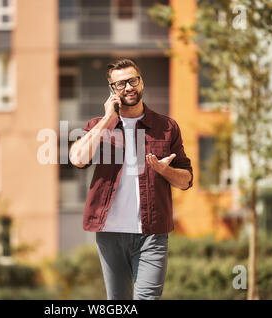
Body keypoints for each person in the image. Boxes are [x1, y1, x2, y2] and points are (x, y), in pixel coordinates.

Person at [69, 58, 193, 300]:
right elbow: (78, 158)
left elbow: (186, 180)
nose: (128, 87)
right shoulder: (98, 126)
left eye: (133, 80)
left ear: (141, 81)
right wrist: (107, 120)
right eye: (120, 84)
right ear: (112, 91)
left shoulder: (166, 127)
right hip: (109, 233)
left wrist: (164, 170)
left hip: (152, 234)